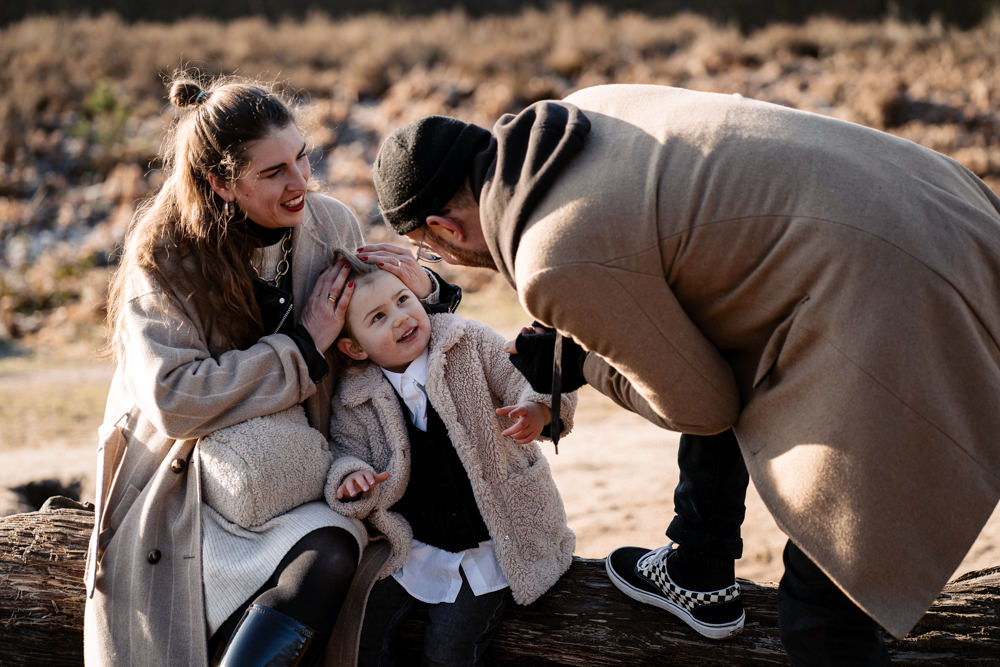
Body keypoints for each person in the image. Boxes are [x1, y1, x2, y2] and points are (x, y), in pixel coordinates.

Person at [367, 83, 1000, 664]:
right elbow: (690, 272)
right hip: (954, 205)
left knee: (822, 618)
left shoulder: (549, 261)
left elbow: (702, 407)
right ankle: (698, 569)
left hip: (898, 298)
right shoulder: (584, 112)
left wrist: (584, 364)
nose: (442, 258)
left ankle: (707, 569)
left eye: (429, 250)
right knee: (702, 335)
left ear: (444, 230)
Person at [83, 73, 459, 667]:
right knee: (330, 554)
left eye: (302, 159)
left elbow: (376, 328)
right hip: (190, 489)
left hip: (312, 469)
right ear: (220, 183)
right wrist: (303, 347)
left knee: (340, 550)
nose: (300, 183)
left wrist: (429, 290)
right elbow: (173, 400)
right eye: (274, 172)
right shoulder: (164, 257)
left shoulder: (331, 224)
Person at [322, 251, 576, 666]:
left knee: (449, 652)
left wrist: (539, 408)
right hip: (418, 546)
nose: (402, 317)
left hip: (497, 539)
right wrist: (352, 477)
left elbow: (529, 376)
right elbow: (344, 453)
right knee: (362, 635)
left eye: (403, 300)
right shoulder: (356, 397)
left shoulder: (467, 342)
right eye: (378, 318)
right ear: (353, 348)